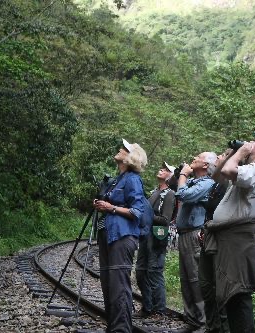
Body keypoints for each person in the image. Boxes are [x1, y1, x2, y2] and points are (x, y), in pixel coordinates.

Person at [205, 132, 255, 333]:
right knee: (232, 295)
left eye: (254, 142)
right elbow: (217, 175)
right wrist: (233, 155)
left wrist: (239, 153)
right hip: (231, 239)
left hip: (238, 241)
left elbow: (228, 170)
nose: (249, 143)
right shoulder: (249, 169)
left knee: (238, 293)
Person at [93, 138, 150, 333]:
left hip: (122, 236)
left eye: (125, 149)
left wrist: (111, 207)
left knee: (119, 286)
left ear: (131, 157)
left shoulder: (133, 179)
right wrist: (102, 204)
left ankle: (122, 329)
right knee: (108, 284)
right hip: (108, 235)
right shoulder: (118, 179)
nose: (120, 149)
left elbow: (137, 211)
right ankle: (113, 327)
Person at [176, 151, 217, 330]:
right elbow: (176, 188)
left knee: (195, 278)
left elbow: (184, 195)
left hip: (195, 234)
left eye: (198, 157)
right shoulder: (194, 181)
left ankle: (202, 322)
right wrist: (182, 176)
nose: (194, 158)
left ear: (206, 165)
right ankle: (191, 319)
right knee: (185, 279)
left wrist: (183, 175)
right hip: (184, 233)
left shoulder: (208, 183)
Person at [135, 162, 176, 318]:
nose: (161, 170)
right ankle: (147, 306)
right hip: (146, 235)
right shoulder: (154, 191)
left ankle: (159, 310)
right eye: (162, 168)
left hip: (157, 236)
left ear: (170, 176)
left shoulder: (170, 194)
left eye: (166, 169)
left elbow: (165, 219)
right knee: (140, 271)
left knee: (154, 272)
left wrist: (148, 216)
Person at [199, 149, 233, 333]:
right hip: (208, 235)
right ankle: (212, 326)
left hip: (222, 240)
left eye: (222, 155)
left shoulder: (229, 183)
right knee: (205, 285)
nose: (218, 158)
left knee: (220, 288)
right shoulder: (215, 183)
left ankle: (223, 328)